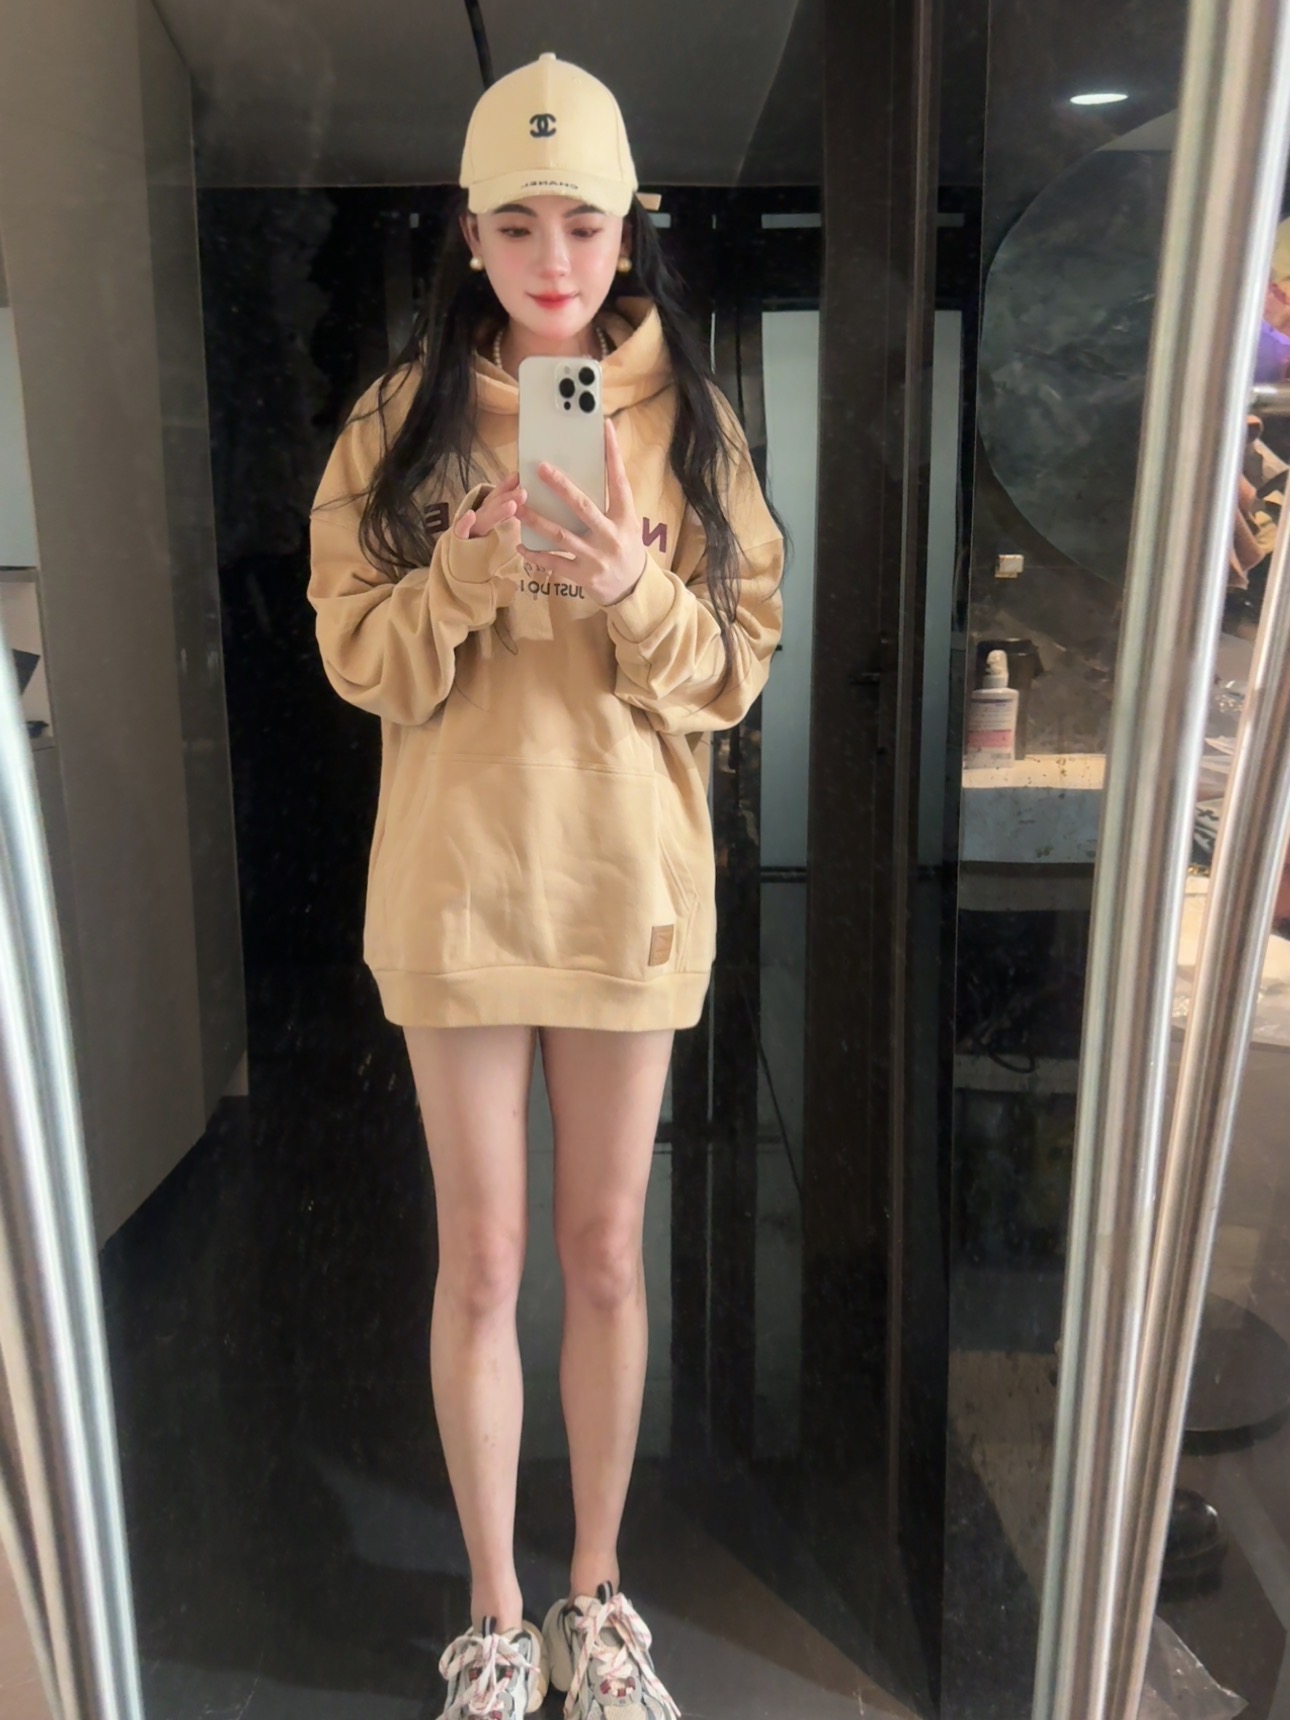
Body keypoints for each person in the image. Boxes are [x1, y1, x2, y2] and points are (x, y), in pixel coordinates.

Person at [308, 52, 783, 1720]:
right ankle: (497, 1617)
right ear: (469, 234)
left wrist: (628, 587)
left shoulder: (693, 425)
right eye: (516, 225)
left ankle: (596, 1595)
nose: (553, 258)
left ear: (628, 228)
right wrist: (458, 570)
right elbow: (355, 658)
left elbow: (734, 672)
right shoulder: (398, 422)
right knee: (482, 1259)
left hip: (622, 890)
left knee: (602, 1253)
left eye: (581, 222)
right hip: (455, 891)